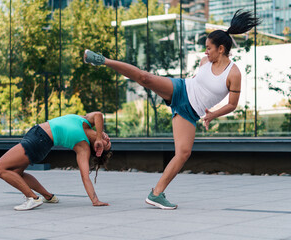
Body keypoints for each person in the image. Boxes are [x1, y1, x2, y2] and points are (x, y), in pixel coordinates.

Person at [83, 10, 261, 210]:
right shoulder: (205, 62)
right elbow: (197, 82)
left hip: (190, 112)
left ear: (221, 49)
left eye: (209, 48)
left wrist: (212, 114)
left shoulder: (234, 73)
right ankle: (102, 60)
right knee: (145, 78)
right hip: (180, 89)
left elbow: (232, 104)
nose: (205, 52)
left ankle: (156, 193)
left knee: (183, 153)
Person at [0, 112, 112, 211]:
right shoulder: (87, 121)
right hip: (35, 134)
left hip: (39, 141)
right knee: (16, 173)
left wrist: (95, 200)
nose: (108, 138)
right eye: (108, 139)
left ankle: (32, 198)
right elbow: (98, 115)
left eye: (107, 143)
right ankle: (48, 197)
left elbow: (85, 177)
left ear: (98, 149)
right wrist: (98, 138)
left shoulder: (83, 147)